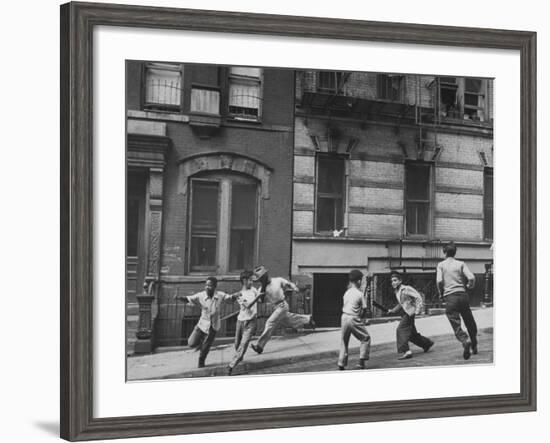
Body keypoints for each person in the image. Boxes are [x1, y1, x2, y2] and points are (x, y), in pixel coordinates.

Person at [250, 265, 315, 355]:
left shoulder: (277, 280)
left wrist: (294, 288)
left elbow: (288, 284)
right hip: (275, 307)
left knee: (270, 322)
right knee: (288, 320)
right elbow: (261, 301)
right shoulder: (261, 289)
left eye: (262, 278)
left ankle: (260, 346)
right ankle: (307, 319)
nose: (261, 280)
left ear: (266, 276)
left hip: (282, 304)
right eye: (260, 279)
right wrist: (263, 289)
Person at [174, 277, 235, 368]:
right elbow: (189, 298)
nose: (207, 287)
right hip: (202, 324)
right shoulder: (201, 296)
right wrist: (179, 298)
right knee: (191, 343)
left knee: (206, 346)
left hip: (213, 325)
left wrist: (236, 295)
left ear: (215, 287)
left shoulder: (220, 295)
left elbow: (230, 298)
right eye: (206, 285)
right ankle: (201, 342)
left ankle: (201, 360)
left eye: (210, 285)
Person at [436, 241, 478, 360]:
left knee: (455, 322)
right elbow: (471, 277)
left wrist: (441, 293)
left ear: (444, 252)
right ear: (455, 252)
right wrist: (470, 285)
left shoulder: (441, 265)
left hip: (450, 297)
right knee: (469, 320)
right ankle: (474, 343)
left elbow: (439, 281)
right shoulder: (461, 263)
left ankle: (465, 340)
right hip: (463, 295)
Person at [387, 271, 434, 360]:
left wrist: (417, 310)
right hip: (406, 312)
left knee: (400, 329)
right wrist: (392, 311)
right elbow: (401, 304)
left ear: (400, 281)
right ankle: (427, 344)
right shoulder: (397, 291)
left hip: (410, 313)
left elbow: (418, 297)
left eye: (395, 280)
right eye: (392, 281)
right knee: (412, 335)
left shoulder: (406, 288)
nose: (393, 282)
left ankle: (407, 351)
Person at [227, 270, 259, 376]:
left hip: (251, 321)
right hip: (240, 321)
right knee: (237, 344)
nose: (252, 282)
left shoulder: (254, 290)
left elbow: (260, 299)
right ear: (244, 281)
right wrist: (258, 297)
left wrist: (261, 296)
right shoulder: (239, 295)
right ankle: (239, 357)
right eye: (250, 280)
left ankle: (231, 365)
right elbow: (248, 306)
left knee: (244, 344)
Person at [337, 269, 371, 370]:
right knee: (366, 338)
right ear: (359, 281)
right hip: (353, 318)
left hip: (344, 317)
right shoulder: (360, 294)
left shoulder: (347, 293)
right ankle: (361, 362)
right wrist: (362, 318)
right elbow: (364, 309)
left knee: (344, 341)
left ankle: (341, 363)